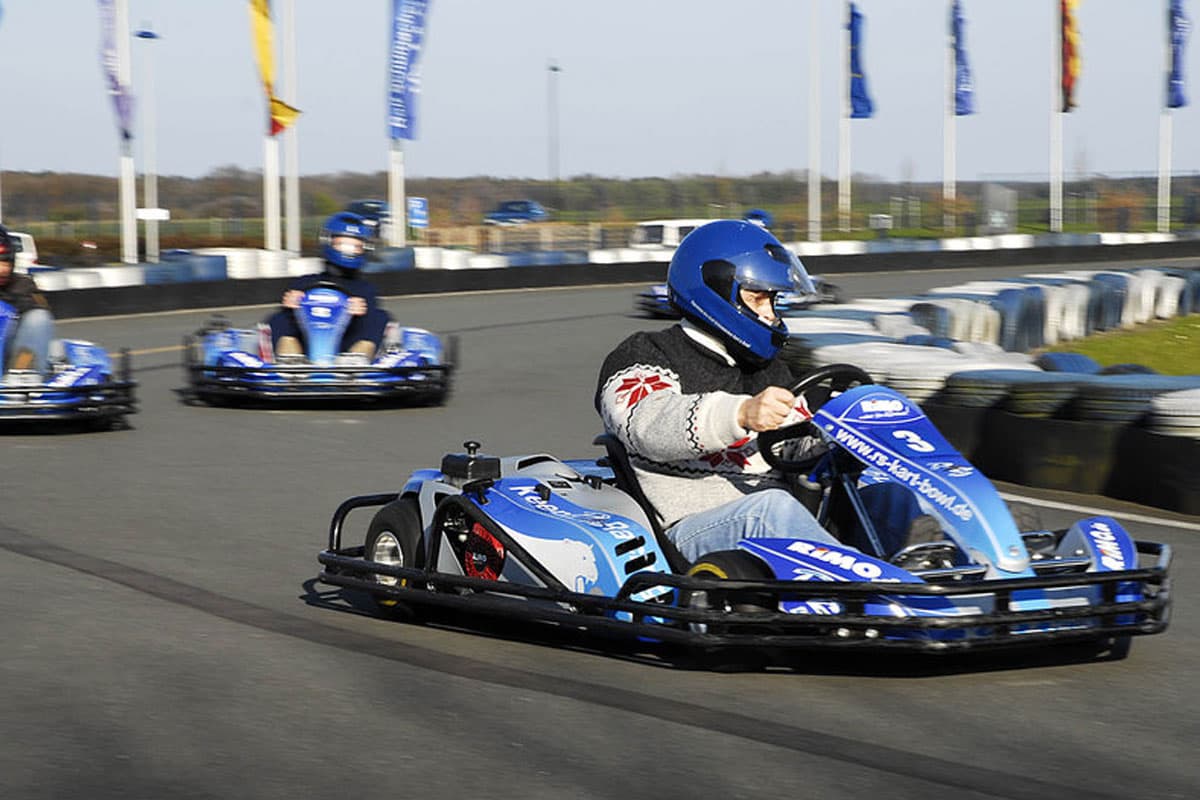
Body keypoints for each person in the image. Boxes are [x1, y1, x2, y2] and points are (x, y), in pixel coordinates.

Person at [596, 219, 925, 564]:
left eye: (773, 300)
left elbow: (790, 448)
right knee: (770, 509)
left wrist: (842, 439)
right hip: (688, 530)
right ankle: (876, 594)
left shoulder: (768, 369)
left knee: (889, 494)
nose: (770, 314)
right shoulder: (647, 353)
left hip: (777, 522)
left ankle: (948, 582)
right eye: (758, 299)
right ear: (716, 290)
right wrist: (739, 414)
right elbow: (647, 425)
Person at [266, 212, 390, 360]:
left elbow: (368, 323)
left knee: (379, 317)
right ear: (328, 242)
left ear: (365, 248)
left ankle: (357, 359)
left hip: (346, 350)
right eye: (343, 244)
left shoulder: (365, 290)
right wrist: (290, 306)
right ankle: (290, 359)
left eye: (355, 246)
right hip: (305, 350)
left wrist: (361, 312)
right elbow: (287, 317)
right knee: (279, 317)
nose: (348, 250)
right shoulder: (303, 283)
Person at [0, 225, 55, 374]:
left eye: (6, 262)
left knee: (38, 318)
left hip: (10, 364)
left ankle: (24, 380)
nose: (3, 269)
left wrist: (12, 304)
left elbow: (40, 311)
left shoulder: (23, 285)